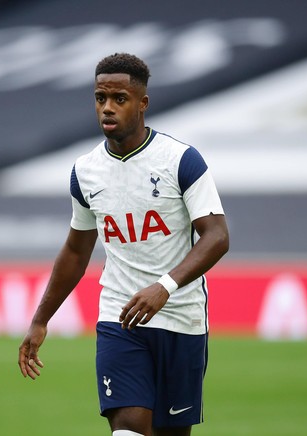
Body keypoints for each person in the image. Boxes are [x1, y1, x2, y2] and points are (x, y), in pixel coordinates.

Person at [18, 53, 230, 436]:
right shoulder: (85, 171)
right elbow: (76, 250)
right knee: (128, 430)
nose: (107, 108)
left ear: (143, 103)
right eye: (100, 98)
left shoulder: (181, 160)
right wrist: (40, 319)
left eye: (119, 98)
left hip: (182, 318)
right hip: (119, 318)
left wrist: (164, 287)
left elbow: (216, 236)